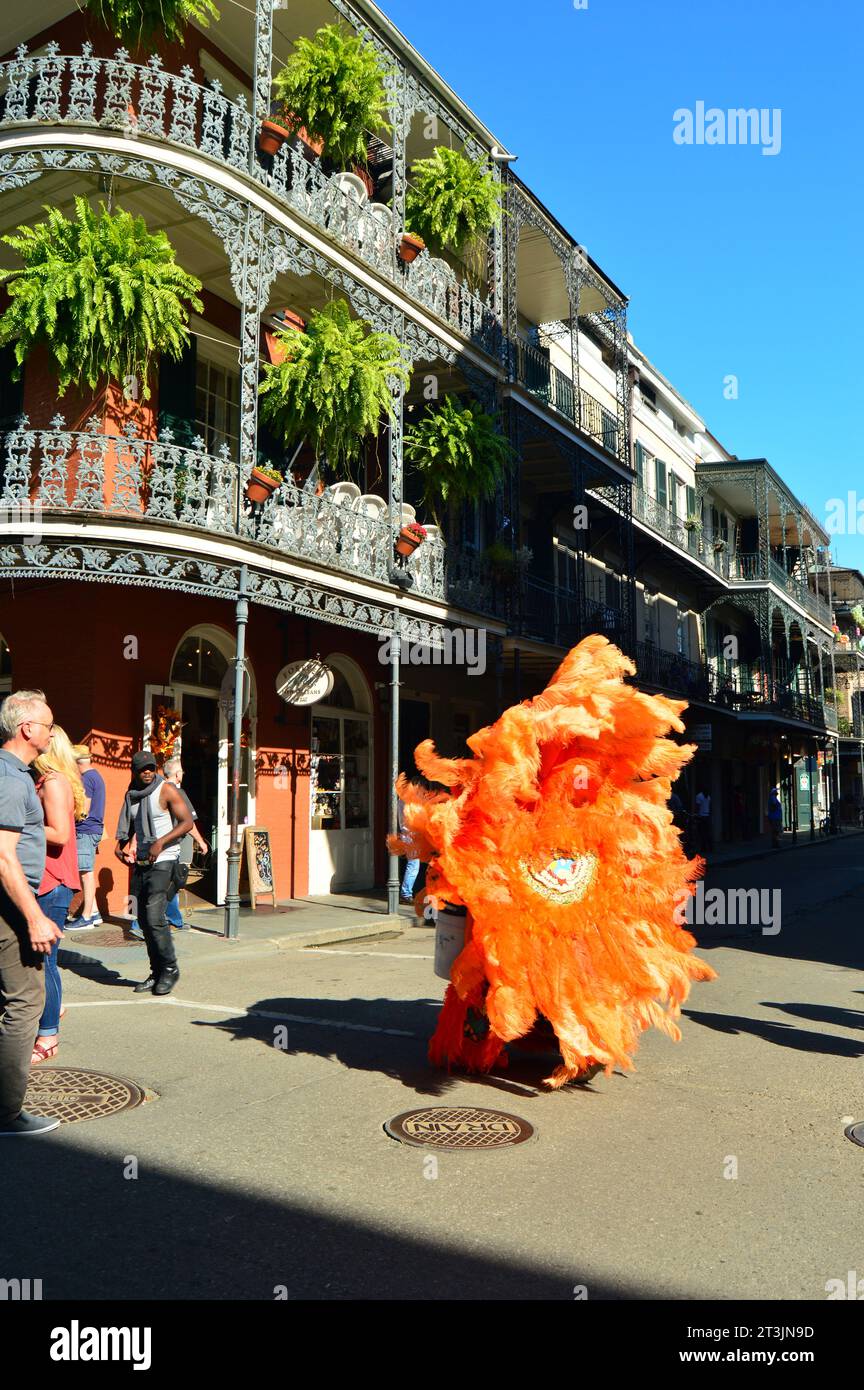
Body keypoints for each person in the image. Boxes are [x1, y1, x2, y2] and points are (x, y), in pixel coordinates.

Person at [0, 690, 64, 1137]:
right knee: (25, 1003)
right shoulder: (12, 778)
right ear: (27, 729)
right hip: (8, 908)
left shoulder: (13, 773)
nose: (51, 732)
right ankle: (5, 1114)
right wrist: (34, 916)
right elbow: (3, 857)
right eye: (47, 725)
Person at [115, 750, 193, 996]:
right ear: (135, 772)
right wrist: (120, 848)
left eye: (151, 768)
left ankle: (170, 969)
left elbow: (187, 822)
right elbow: (128, 827)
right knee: (143, 919)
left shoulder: (166, 790)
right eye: (142, 769)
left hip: (166, 859)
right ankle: (156, 971)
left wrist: (161, 842)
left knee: (154, 915)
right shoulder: (132, 795)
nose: (147, 772)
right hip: (143, 860)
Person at [31, 726, 84, 1065]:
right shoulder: (49, 781)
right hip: (46, 881)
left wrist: (15, 824)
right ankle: (52, 1009)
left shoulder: (53, 782)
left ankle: (48, 1034)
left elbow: (60, 834)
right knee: (38, 961)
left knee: (45, 961)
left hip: (52, 881)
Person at [128, 757, 208, 937]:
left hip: (152, 850)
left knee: (153, 887)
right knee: (170, 885)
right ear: (178, 774)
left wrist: (133, 843)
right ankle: (162, 922)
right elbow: (189, 823)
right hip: (166, 850)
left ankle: (158, 921)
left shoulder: (149, 790)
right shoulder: (173, 791)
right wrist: (201, 842)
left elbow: (142, 821)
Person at [64, 743, 106, 931]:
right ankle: (95, 913)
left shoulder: (86, 778)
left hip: (85, 830)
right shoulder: (95, 775)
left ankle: (87, 917)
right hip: (92, 830)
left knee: (86, 873)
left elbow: (83, 810)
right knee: (87, 871)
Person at [397, 792, 420, 904]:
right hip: (411, 835)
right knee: (413, 865)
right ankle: (406, 893)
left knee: (413, 864)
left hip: (407, 834)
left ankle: (406, 892)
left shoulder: (402, 800)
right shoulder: (410, 802)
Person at [694, 787, 712, 854]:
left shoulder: (699, 796)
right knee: (706, 832)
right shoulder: (706, 796)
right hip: (705, 816)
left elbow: (697, 806)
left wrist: (696, 814)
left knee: (702, 832)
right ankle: (708, 847)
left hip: (702, 816)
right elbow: (709, 806)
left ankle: (705, 847)